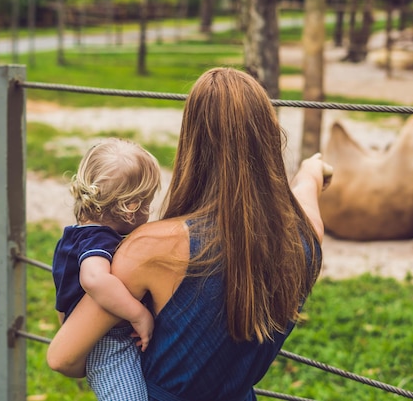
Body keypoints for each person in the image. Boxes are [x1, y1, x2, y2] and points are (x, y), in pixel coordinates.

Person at [48, 67, 331, 401]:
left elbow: (62, 357)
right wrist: (312, 170)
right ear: (269, 138)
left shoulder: (153, 247)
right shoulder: (305, 236)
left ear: (191, 142)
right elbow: (304, 193)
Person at [51, 137, 161, 401]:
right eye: (147, 202)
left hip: (95, 333)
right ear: (132, 208)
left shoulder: (77, 234)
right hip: (108, 342)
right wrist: (139, 315)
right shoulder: (98, 240)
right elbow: (94, 280)